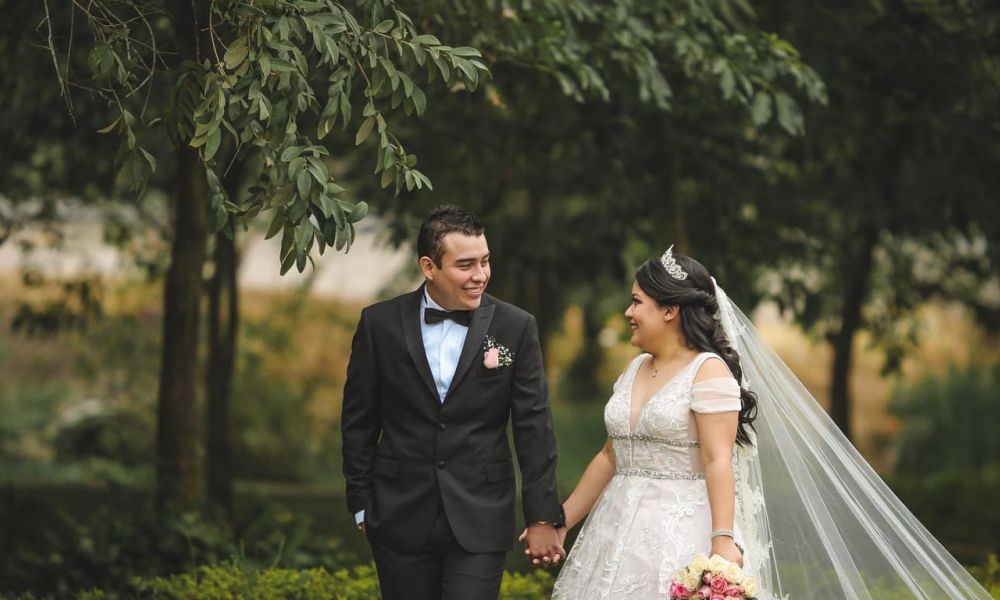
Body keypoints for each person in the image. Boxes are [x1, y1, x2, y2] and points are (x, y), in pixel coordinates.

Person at [552, 247, 993, 599]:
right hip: (614, 530)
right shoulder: (633, 370)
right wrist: (562, 523)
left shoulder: (708, 372)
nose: (628, 312)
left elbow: (719, 460)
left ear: (669, 310)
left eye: (636, 302)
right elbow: (609, 456)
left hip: (676, 531)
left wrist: (722, 541)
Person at [340, 205, 565, 600]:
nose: (480, 275)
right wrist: (361, 503)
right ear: (429, 267)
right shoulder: (379, 325)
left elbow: (534, 426)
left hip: (481, 515)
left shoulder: (516, 326)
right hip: (398, 515)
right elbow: (359, 420)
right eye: (465, 265)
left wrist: (542, 514)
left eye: (485, 261)